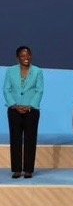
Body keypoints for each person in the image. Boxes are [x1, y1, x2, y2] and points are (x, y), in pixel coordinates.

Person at [4, 46, 43, 179]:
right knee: (15, 139)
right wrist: (14, 105)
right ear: (17, 58)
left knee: (30, 139)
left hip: (31, 111)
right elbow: (6, 89)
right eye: (22, 55)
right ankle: (16, 169)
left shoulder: (38, 71)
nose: (26, 58)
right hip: (14, 110)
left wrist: (30, 106)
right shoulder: (10, 71)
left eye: (28, 55)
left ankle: (28, 170)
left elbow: (39, 90)